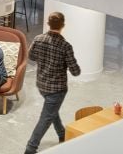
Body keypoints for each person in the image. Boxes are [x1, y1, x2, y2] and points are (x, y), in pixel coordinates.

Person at [24, 12, 81, 154]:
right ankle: (31, 148)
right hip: (57, 89)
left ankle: (62, 134)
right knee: (46, 118)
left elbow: (31, 56)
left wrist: (44, 59)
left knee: (51, 111)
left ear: (48, 24)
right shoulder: (65, 46)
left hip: (41, 84)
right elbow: (75, 71)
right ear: (63, 25)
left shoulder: (38, 39)